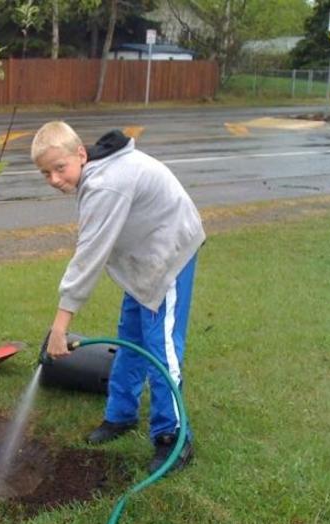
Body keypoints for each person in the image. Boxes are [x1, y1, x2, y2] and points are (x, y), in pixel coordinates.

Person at [31, 121, 205, 474]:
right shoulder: (93, 173)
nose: (54, 179)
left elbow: (88, 257)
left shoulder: (106, 185)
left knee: (161, 348)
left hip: (168, 253)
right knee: (131, 338)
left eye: (59, 168)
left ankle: (173, 437)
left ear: (80, 154)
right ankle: (121, 416)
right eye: (45, 173)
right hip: (142, 257)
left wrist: (60, 327)